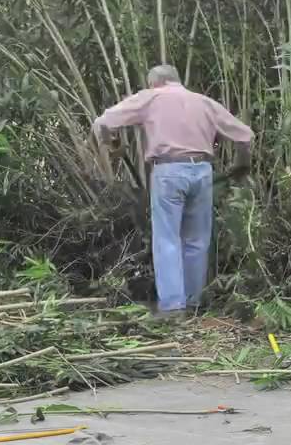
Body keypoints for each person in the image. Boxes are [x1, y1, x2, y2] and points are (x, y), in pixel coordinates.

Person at [92, 64, 253, 316]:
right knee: (197, 240)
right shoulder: (203, 102)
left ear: (154, 82)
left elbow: (103, 122)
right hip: (202, 172)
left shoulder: (151, 97)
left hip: (169, 172)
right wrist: (242, 164)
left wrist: (113, 145)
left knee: (167, 239)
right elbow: (244, 135)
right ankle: (193, 302)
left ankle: (173, 307)